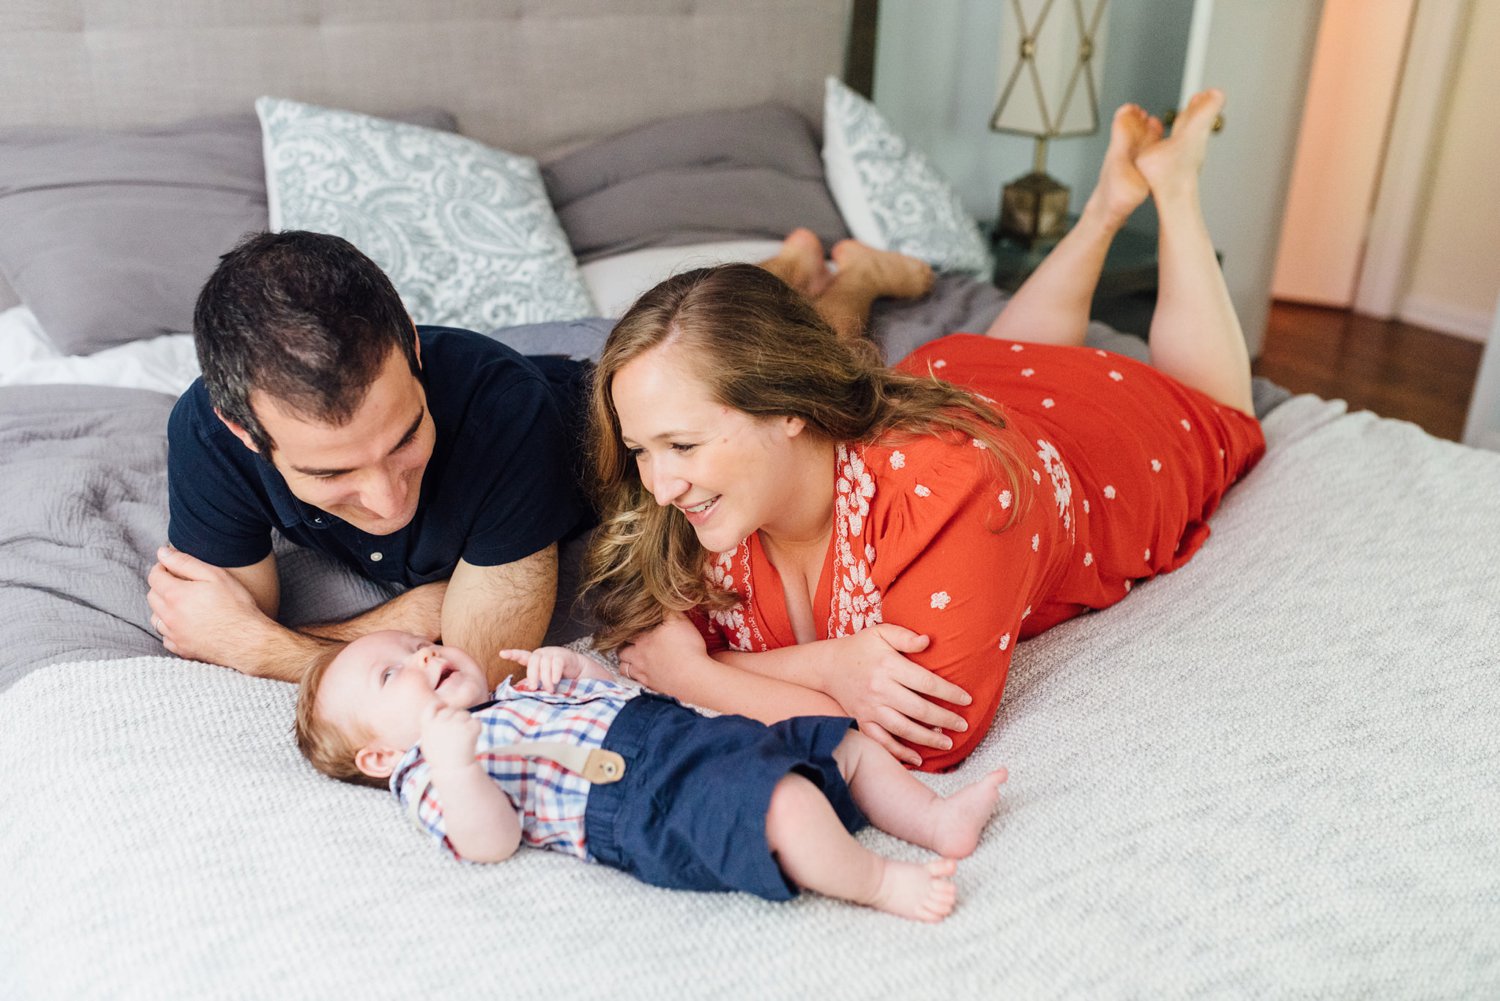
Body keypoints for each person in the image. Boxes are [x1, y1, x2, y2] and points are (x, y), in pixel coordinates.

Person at [583, 90, 1265, 771]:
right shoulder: (692, 492)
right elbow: (647, 630)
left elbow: (928, 736)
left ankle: (1174, 186)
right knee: (1001, 361)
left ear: (787, 407)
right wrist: (833, 664)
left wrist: (695, 677)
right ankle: (1107, 207)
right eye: (642, 450)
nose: (661, 485)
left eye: (683, 445)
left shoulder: (955, 492)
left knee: (1223, 418)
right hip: (964, 380)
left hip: (1096, 438)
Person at [147, 231, 937, 684]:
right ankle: (790, 264)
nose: (387, 500)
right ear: (244, 430)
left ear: (414, 353)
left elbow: (471, 667)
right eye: (332, 474)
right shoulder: (209, 437)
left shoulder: (503, 412)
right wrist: (402, 617)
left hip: (574, 398)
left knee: (788, 367)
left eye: (404, 440)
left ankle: (849, 276)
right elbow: (208, 619)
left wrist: (260, 649)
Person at [296, 630, 1009, 923]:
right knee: (785, 805)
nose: (425, 660)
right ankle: (881, 881)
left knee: (839, 745)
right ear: (379, 757)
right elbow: (490, 838)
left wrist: (576, 670)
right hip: (640, 798)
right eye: (393, 674)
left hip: (695, 735)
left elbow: (616, 693)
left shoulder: (513, 694)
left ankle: (933, 818)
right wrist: (457, 767)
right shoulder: (427, 770)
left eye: (422, 645)